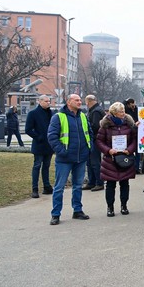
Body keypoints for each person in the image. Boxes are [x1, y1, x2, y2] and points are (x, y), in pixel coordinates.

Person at [47, 94, 92, 225]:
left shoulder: (83, 116)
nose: (79, 102)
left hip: (81, 157)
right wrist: (62, 151)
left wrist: (89, 148)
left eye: (80, 100)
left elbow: (89, 133)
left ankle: (77, 210)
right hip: (65, 159)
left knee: (78, 185)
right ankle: (55, 214)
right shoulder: (58, 117)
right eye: (76, 100)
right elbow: (52, 137)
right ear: (68, 102)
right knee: (59, 187)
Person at [96, 102, 138, 217]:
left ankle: (124, 206)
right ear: (114, 113)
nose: (123, 113)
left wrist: (129, 149)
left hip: (125, 158)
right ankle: (110, 207)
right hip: (111, 160)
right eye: (120, 111)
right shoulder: (105, 125)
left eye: (124, 111)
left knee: (125, 184)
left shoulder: (129, 124)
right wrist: (108, 150)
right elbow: (99, 141)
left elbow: (134, 139)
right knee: (110, 185)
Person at [25, 95, 54, 197]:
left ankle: (47, 186)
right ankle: (35, 189)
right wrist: (39, 137)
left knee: (46, 166)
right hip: (39, 145)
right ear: (40, 101)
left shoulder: (51, 113)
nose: (48, 103)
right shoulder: (33, 113)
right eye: (46, 101)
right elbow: (28, 129)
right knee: (37, 166)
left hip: (49, 145)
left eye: (49, 101)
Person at [83, 95, 106, 191]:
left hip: (95, 140)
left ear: (88, 101)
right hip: (93, 140)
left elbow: (95, 126)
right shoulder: (95, 110)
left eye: (86, 102)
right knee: (90, 162)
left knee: (95, 162)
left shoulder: (96, 111)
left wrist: (85, 125)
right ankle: (91, 182)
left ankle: (99, 183)